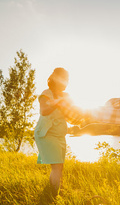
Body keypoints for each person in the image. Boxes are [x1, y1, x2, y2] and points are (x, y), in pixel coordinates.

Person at [34, 67, 87, 195]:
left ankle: (56, 191)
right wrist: (57, 103)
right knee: (56, 166)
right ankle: (53, 195)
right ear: (57, 79)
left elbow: (70, 113)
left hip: (59, 134)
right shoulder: (46, 93)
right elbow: (44, 111)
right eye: (65, 79)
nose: (67, 82)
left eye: (68, 80)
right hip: (47, 134)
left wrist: (82, 119)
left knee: (59, 166)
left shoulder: (66, 96)